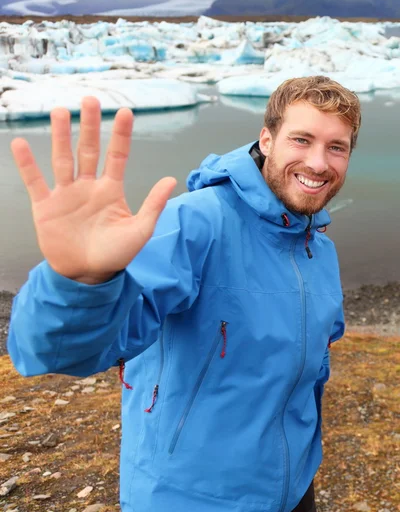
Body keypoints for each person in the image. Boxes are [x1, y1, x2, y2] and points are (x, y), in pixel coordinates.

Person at [7, 75, 361, 512]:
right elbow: (60, 352)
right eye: (301, 140)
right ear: (267, 140)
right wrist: (81, 280)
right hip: (191, 495)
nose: (318, 162)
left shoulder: (317, 247)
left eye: (336, 147)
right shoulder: (195, 223)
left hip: (291, 488)